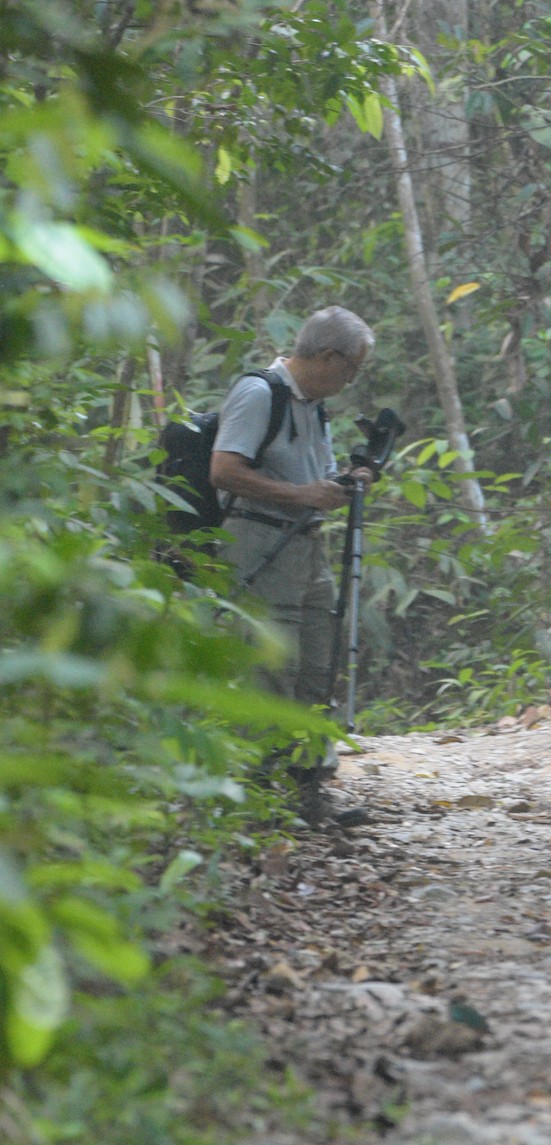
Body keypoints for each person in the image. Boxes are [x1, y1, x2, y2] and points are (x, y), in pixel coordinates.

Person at [209, 305, 376, 826]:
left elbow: (315, 475)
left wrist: (347, 480)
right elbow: (224, 470)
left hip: (306, 549)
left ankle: (305, 795)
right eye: (352, 369)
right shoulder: (260, 393)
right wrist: (302, 494)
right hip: (260, 545)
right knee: (270, 673)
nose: (352, 380)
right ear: (329, 357)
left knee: (316, 671)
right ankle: (263, 805)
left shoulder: (313, 406)